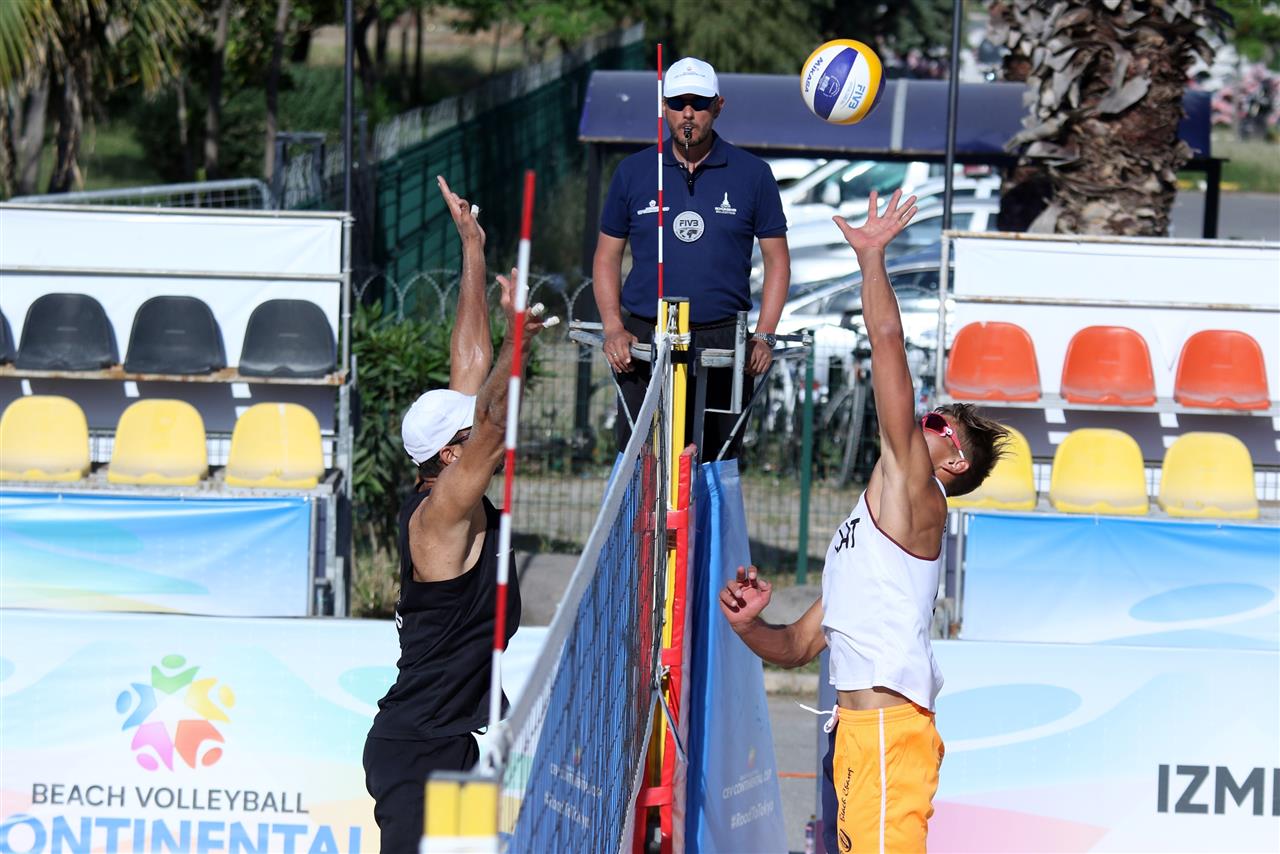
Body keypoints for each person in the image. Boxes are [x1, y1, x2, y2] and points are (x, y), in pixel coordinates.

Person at [719, 190, 1009, 853]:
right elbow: (800, 645)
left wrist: (872, 258)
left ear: (955, 463)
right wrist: (749, 626)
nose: (920, 418)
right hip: (858, 735)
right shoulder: (868, 535)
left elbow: (886, 343)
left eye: (936, 421)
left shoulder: (918, 495)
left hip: (887, 735)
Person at [363, 176, 544, 854]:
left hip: (453, 746)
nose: (478, 431)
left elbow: (470, 364)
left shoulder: (443, 477)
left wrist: (473, 249)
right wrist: (521, 340)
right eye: (466, 435)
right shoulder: (438, 520)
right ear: (448, 454)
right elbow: (491, 424)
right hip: (417, 755)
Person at [592, 56, 790, 459]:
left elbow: (778, 262)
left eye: (698, 103)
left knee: (714, 464)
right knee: (642, 463)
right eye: (677, 102)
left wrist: (765, 335)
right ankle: (646, 504)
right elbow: (607, 256)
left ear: (718, 106)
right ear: (663, 107)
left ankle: (707, 503)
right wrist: (613, 327)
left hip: (723, 341)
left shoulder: (753, 174)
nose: (688, 113)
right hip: (645, 339)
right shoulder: (634, 172)